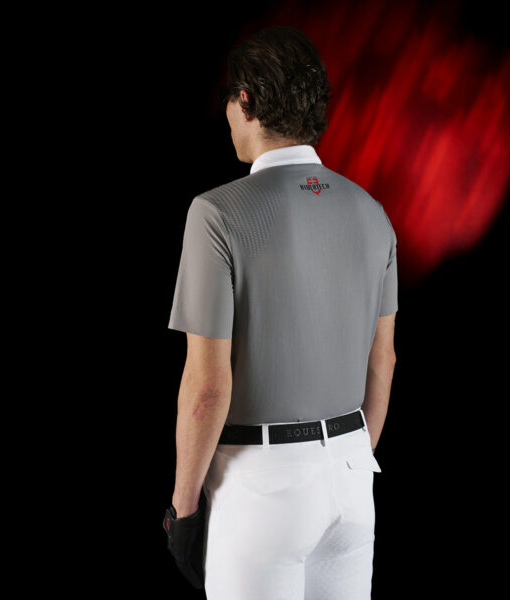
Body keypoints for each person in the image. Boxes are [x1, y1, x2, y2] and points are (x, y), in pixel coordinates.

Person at [162, 25, 398, 600]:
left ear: (244, 100)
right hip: (352, 482)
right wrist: (345, 461)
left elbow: (207, 388)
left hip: (260, 487)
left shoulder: (216, 214)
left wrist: (183, 510)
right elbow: (383, 362)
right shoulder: (372, 213)